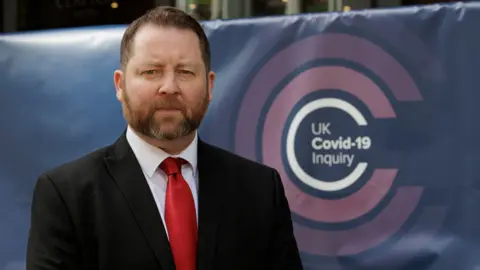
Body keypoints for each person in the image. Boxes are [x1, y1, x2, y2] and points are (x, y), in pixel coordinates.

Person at [26, 6, 303, 270]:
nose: (169, 87)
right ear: (120, 85)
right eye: (151, 72)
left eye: (185, 72)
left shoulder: (260, 191)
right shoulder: (67, 195)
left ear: (209, 86)